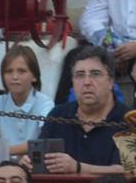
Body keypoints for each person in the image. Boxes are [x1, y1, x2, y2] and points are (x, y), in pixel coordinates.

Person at [31, 46, 129, 175]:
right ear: (72, 82)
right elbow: (39, 160)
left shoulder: (129, 119)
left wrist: (78, 168)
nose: (87, 82)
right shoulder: (58, 115)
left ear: (111, 82)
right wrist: (31, 162)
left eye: (95, 74)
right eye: (80, 75)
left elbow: (129, 171)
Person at [79, 0, 136, 92]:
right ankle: (62, 111)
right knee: (76, 59)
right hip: (117, 47)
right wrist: (113, 48)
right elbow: (91, 20)